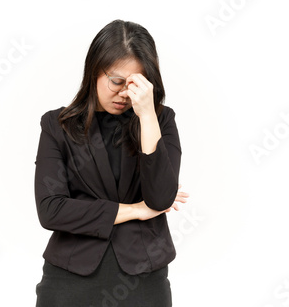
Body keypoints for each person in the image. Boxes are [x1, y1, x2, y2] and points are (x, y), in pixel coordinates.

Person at [34, 19, 188, 307]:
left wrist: (147, 115)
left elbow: (161, 197)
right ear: (94, 71)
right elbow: (51, 210)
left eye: (135, 85)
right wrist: (135, 210)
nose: (124, 94)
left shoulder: (160, 121)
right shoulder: (57, 125)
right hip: (69, 279)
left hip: (143, 279)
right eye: (116, 82)